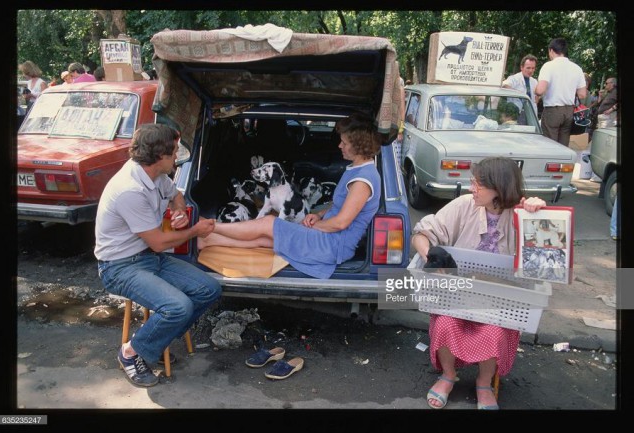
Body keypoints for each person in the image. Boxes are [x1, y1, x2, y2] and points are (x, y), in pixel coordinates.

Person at [411, 156, 547, 410]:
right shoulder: (464, 205)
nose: (471, 188)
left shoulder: (521, 212)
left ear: (500, 187)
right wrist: (429, 254)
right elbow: (422, 232)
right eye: (472, 182)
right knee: (445, 323)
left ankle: (484, 382)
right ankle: (448, 375)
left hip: (500, 299)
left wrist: (540, 214)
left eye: (478, 184)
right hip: (458, 294)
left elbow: (546, 258)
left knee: (494, 331)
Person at [95, 123, 222, 387]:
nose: (177, 156)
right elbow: (159, 243)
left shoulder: (155, 176)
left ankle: (154, 343)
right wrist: (195, 230)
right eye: (174, 152)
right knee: (178, 307)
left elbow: (176, 195)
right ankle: (131, 353)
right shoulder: (130, 189)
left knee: (209, 288)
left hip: (145, 258)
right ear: (159, 156)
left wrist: (178, 211)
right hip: (119, 267)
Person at [197, 112, 382, 279]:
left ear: (359, 145)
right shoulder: (358, 170)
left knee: (268, 223)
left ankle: (209, 226)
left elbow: (341, 222)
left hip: (332, 246)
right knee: (265, 239)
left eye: (345, 142)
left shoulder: (363, 180)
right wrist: (318, 214)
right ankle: (209, 241)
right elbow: (338, 207)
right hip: (329, 239)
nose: (339, 145)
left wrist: (316, 225)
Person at [534, 38, 587, 146]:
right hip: (569, 111)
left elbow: (540, 90)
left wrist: (535, 90)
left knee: (549, 144)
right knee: (563, 144)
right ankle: (562, 163)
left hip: (553, 110)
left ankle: (552, 163)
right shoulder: (577, 68)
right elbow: (582, 94)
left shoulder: (548, 66)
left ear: (551, 50)